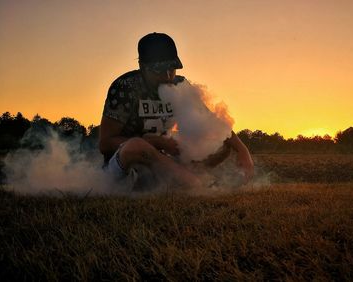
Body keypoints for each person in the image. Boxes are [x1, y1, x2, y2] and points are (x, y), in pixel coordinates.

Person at [99, 32, 254, 189]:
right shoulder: (126, 87)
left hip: (164, 163)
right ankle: (192, 183)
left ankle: (180, 180)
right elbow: (105, 143)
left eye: (171, 69)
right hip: (129, 165)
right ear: (142, 66)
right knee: (137, 146)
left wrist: (243, 150)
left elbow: (211, 122)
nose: (167, 77)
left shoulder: (180, 84)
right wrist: (158, 142)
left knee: (220, 143)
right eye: (158, 71)